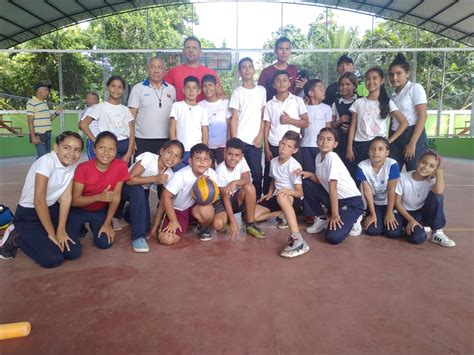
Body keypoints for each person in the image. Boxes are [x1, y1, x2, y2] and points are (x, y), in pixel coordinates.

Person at [0, 132, 83, 267]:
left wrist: (61, 230)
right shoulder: (46, 161)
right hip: (29, 214)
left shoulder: (72, 165)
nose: (72, 153)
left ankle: (43, 233)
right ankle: (15, 236)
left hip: (51, 210)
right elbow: (38, 201)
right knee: (53, 259)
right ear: (56, 147)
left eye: (77, 150)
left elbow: (66, 198)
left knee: (73, 253)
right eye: (67, 147)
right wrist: (52, 234)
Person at [300, 128, 364, 244]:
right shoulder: (319, 157)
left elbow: (332, 187)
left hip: (351, 202)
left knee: (333, 237)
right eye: (321, 139)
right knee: (307, 182)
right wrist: (309, 175)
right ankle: (322, 218)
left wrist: (335, 215)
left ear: (335, 144)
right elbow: (321, 181)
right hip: (334, 199)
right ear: (316, 142)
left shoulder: (332, 157)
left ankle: (356, 217)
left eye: (329, 139)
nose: (324, 142)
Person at [66, 131, 129, 250]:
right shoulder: (83, 168)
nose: (106, 152)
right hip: (78, 210)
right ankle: (80, 228)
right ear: (94, 149)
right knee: (71, 252)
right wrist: (98, 197)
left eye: (111, 149)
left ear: (116, 151)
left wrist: (107, 223)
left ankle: (95, 225)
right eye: (102, 147)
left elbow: (116, 197)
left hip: (99, 210)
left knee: (105, 243)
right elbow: (74, 201)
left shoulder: (121, 166)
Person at [124, 140, 184, 253]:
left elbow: (163, 201)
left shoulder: (170, 175)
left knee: (145, 226)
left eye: (176, 156)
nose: (171, 158)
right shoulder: (149, 157)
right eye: (169, 152)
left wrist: (155, 226)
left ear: (180, 160)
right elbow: (129, 180)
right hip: (123, 187)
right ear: (162, 151)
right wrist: (155, 179)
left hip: (141, 192)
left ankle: (129, 213)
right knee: (138, 190)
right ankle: (138, 237)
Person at [254, 131, 308, 258]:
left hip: (292, 199)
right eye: (283, 144)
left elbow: (300, 192)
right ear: (279, 144)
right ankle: (282, 214)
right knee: (253, 216)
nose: (284, 148)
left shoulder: (294, 166)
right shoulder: (273, 162)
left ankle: (297, 238)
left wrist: (287, 191)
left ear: (294, 150)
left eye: (289, 146)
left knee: (282, 196)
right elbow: (274, 180)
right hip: (277, 196)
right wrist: (269, 193)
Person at [346, 68, 408, 170]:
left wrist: (388, 141)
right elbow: (353, 127)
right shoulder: (358, 102)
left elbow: (404, 123)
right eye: (367, 79)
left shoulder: (387, 102)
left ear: (382, 81)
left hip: (378, 147)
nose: (371, 82)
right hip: (359, 145)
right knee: (360, 175)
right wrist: (349, 147)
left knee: (377, 175)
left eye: (375, 78)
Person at [158, 143, 219, 245]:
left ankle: (203, 227)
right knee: (167, 240)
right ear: (190, 161)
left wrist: (204, 185)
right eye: (198, 158)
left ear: (210, 162)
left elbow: (213, 197)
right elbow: (166, 196)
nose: (202, 162)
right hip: (179, 210)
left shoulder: (211, 174)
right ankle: (179, 222)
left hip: (195, 209)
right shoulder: (180, 175)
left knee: (207, 211)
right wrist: (173, 220)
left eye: (205, 159)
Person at [394, 150, 455, 247]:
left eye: (431, 166)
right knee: (392, 232)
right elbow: (397, 203)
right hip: (404, 213)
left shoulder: (432, 181)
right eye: (424, 162)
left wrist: (439, 173)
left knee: (437, 197)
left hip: (421, 214)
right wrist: (411, 220)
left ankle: (437, 233)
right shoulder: (403, 177)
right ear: (418, 162)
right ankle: (408, 227)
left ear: (435, 170)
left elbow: (439, 191)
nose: (426, 167)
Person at [263, 70, 308, 195]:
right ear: (273, 85)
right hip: (274, 144)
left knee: (296, 176)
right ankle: (269, 202)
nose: (281, 83)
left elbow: (305, 123)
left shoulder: (297, 101)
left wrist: (289, 120)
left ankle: (294, 206)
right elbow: (266, 127)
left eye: (285, 80)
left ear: (289, 83)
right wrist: (266, 149)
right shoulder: (269, 104)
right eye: (278, 80)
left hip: (293, 146)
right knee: (272, 176)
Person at [213, 138, 266, 239]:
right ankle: (227, 218)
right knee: (218, 225)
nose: (233, 158)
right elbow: (225, 197)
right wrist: (233, 222)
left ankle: (250, 224)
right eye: (230, 154)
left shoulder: (242, 161)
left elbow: (246, 179)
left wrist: (235, 182)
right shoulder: (220, 171)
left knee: (249, 187)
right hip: (224, 203)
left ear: (241, 156)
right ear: (224, 153)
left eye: (237, 155)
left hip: (236, 199)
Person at [229, 57, 267, 198]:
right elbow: (234, 118)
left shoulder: (261, 91)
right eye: (244, 67)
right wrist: (234, 141)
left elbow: (264, 116)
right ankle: (239, 204)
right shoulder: (237, 92)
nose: (247, 69)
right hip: (240, 141)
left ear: (254, 70)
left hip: (255, 142)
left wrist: (260, 136)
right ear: (240, 72)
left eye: (250, 66)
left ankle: (255, 203)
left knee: (257, 174)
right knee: (238, 174)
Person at [80, 76, 135, 164]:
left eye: (120, 87)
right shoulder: (100, 107)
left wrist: (128, 153)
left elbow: (132, 133)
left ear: (124, 90)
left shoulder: (125, 109)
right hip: (108, 145)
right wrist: (96, 141)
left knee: (123, 175)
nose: (116, 89)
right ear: (108, 88)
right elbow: (83, 124)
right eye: (113, 86)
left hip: (125, 145)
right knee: (108, 174)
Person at [128, 57, 177, 156]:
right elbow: (130, 117)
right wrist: (131, 140)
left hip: (166, 140)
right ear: (148, 69)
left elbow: (175, 117)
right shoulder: (138, 88)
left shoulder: (171, 89)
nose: (156, 70)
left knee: (164, 170)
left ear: (164, 70)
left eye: (159, 67)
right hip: (142, 139)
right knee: (143, 170)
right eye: (152, 67)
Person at [388, 53, 429, 171]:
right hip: (395, 135)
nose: (394, 77)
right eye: (391, 74)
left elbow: (423, 116)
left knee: (416, 172)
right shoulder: (393, 95)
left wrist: (412, 143)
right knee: (392, 172)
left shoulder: (415, 88)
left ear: (407, 73)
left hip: (412, 133)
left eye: (398, 73)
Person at [356, 137, 402, 237]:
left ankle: (389, 218)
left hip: (390, 203)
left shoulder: (392, 164)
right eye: (372, 148)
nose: (376, 152)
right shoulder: (362, 166)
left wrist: (389, 213)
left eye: (380, 149)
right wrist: (372, 214)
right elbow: (367, 192)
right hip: (374, 203)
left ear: (387, 152)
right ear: (368, 151)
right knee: (372, 231)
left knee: (393, 233)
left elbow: (391, 190)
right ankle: (371, 216)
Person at [164, 36, 222, 102]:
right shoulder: (173, 72)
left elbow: (220, 96)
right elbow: (162, 94)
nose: (191, 50)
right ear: (183, 52)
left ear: (200, 53)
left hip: (205, 111)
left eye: (194, 48)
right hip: (180, 111)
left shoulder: (211, 73)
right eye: (188, 47)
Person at [169, 75, 208, 165]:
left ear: (199, 91)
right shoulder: (177, 106)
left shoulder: (202, 110)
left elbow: (205, 131)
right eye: (188, 88)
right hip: (180, 150)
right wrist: (174, 147)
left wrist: (204, 149)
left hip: (197, 150)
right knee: (178, 173)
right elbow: (172, 127)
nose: (191, 91)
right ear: (183, 90)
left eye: (194, 88)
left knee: (196, 176)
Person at [258, 37, 307, 102]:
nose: (284, 52)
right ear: (275, 51)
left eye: (287, 49)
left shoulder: (293, 69)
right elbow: (259, 95)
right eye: (281, 49)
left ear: (290, 51)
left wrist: (303, 86)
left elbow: (294, 92)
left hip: (290, 108)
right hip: (271, 109)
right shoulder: (266, 72)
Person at [300, 79, 332, 174]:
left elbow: (328, 129)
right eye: (320, 88)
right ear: (311, 93)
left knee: (322, 172)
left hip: (322, 146)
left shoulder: (326, 108)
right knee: (308, 172)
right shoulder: (303, 108)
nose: (324, 90)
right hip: (305, 145)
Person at [331, 72, 359, 173]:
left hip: (357, 142)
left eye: (347, 84)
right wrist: (340, 121)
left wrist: (353, 129)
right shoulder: (336, 103)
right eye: (342, 85)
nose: (344, 87)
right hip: (341, 143)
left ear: (354, 86)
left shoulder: (360, 101)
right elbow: (331, 125)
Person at [199, 74, 231, 164]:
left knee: (222, 171)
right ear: (201, 89)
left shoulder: (225, 103)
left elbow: (229, 124)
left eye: (210, 85)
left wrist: (229, 144)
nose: (207, 88)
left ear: (216, 86)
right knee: (207, 173)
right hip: (206, 146)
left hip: (223, 146)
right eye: (205, 86)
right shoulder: (199, 106)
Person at [26, 82, 63, 159]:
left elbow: (48, 120)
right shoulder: (31, 102)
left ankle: (40, 170)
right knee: (43, 158)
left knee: (46, 157)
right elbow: (30, 120)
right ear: (38, 90)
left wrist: (56, 113)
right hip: (39, 134)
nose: (48, 92)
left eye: (48, 90)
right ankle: (38, 170)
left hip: (48, 133)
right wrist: (33, 136)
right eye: (46, 89)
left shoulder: (44, 103)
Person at [79, 91, 100, 159]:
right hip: (103, 138)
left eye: (88, 98)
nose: (86, 100)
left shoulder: (91, 109)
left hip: (93, 138)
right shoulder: (102, 108)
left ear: (95, 100)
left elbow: (80, 125)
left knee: (93, 161)